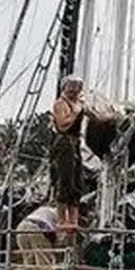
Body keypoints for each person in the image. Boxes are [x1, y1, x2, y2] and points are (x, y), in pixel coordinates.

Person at [51, 75, 99, 243]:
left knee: (76, 182)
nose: (75, 90)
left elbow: (94, 115)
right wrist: (78, 112)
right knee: (65, 180)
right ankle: (62, 220)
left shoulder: (78, 104)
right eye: (72, 87)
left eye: (77, 87)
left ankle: (73, 219)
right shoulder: (61, 104)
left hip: (76, 141)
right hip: (64, 141)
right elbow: (63, 124)